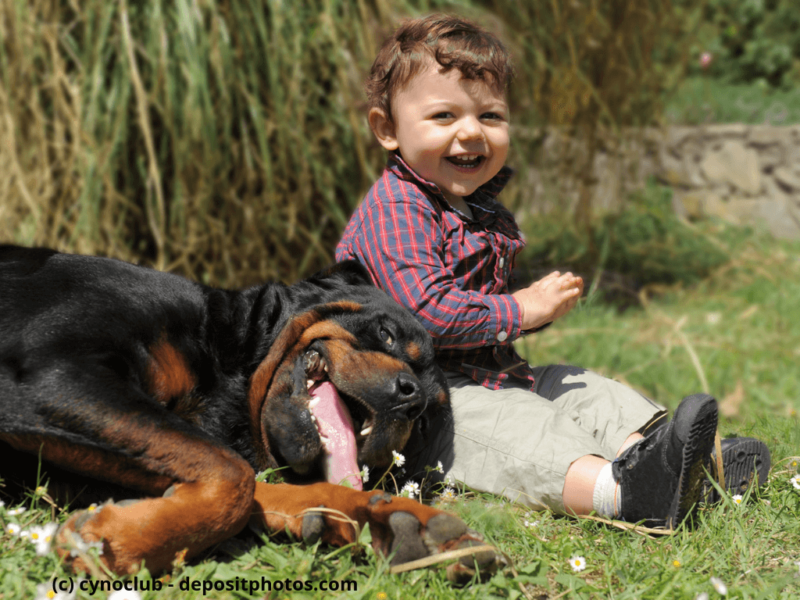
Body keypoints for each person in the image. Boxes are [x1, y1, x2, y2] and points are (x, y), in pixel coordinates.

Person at [336, 14, 769, 526]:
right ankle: (626, 494)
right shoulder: (397, 208)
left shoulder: (477, 206)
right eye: (444, 116)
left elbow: (480, 306)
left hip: (490, 373)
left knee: (577, 387)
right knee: (522, 427)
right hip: (419, 405)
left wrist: (534, 306)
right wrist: (519, 309)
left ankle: (666, 458)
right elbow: (423, 314)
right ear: (387, 129)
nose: (471, 131)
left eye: (490, 116)